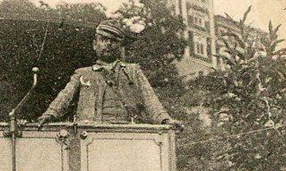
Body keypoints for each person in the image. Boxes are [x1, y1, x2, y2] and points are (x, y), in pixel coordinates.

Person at [37, 18, 180, 128]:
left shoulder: (133, 71)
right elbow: (64, 98)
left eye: (113, 41)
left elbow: (151, 100)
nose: (108, 44)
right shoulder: (82, 74)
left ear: (120, 46)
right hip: (91, 136)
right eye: (103, 40)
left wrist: (165, 120)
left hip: (127, 135)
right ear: (95, 44)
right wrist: (49, 115)